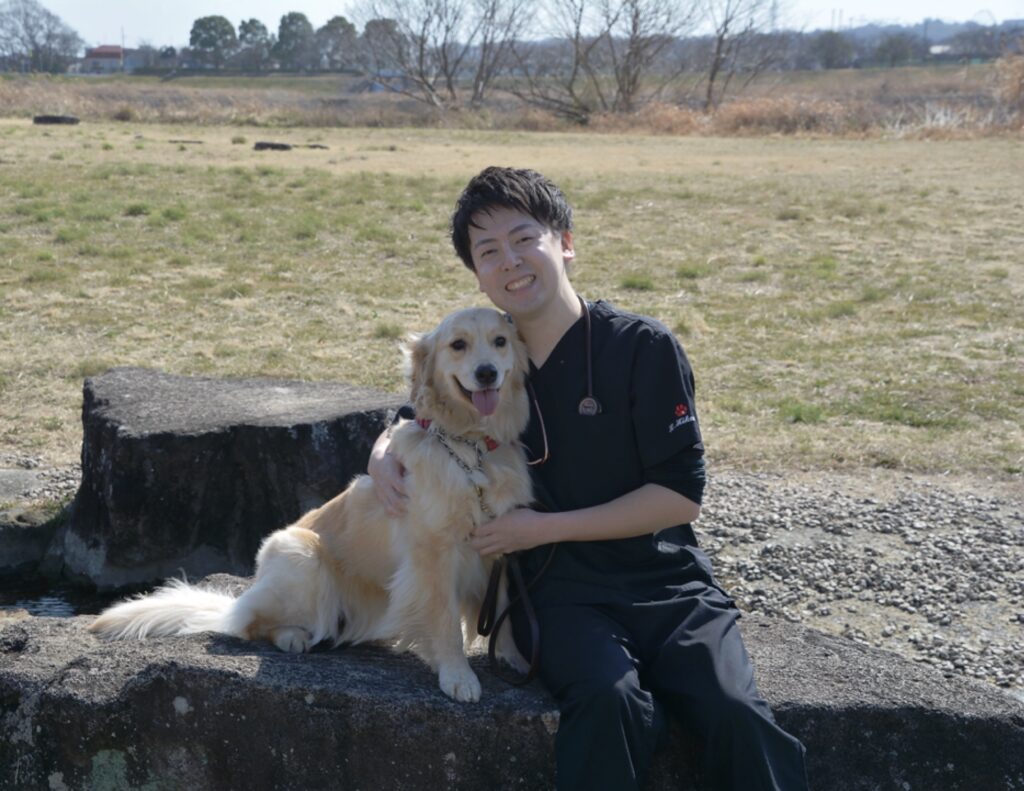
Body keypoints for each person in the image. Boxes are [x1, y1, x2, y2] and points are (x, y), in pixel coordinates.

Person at [369, 166, 809, 791]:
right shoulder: (492, 356)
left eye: (524, 239)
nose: (510, 260)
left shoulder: (642, 347)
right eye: (488, 251)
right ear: (477, 274)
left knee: (735, 712)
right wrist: (383, 448)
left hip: (666, 583)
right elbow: (423, 408)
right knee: (607, 699)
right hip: (559, 593)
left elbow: (680, 497)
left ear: (566, 243)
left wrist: (543, 527)